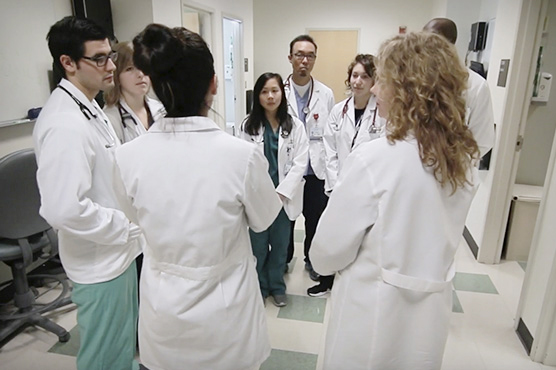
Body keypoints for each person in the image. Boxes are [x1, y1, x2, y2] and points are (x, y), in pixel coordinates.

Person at [113, 24, 282, 369]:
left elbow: (132, 216)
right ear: (214, 84)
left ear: (156, 86)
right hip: (227, 314)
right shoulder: (241, 156)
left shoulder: (126, 157)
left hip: (164, 312)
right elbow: (265, 218)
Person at [310, 32, 480, 369]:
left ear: (407, 89)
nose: (373, 89)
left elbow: (326, 255)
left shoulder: (375, 159)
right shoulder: (461, 161)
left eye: (382, 80)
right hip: (427, 323)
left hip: (369, 316)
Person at [33, 16, 142, 370]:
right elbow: (63, 209)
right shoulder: (65, 123)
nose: (111, 66)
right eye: (99, 59)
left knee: (120, 347)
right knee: (105, 358)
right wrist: (125, 226)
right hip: (101, 262)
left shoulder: (89, 106)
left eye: (110, 56)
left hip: (117, 254)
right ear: (68, 63)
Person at [308, 53, 385, 297]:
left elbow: (383, 152)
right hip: (338, 185)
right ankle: (326, 280)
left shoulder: (382, 114)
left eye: (365, 76)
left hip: (368, 188)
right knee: (334, 233)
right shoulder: (338, 111)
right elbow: (328, 149)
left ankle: (353, 281)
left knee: (361, 238)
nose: (358, 81)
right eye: (354, 75)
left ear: (374, 81)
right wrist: (334, 183)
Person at [238, 73, 309, 307]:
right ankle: (259, 285)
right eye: (264, 91)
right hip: (258, 198)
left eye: (275, 91)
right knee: (257, 245)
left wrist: (282, 192)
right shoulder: (248, 125)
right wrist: (262, 193)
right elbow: (244, 164)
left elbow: (301, 162)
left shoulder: (295, 126)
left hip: (283, 198)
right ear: (257, 96)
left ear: (282, 93)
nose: (270, 96)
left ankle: (277, 285)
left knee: (280, 246)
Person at [284, 35, 334, 281]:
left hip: (316, 170)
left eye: (310, 55)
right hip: (290, 168)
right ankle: (283, 258)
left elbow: (331, 134)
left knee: (315, 220)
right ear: (290, 57)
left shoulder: (325, 94)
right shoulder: (278, 91)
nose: (304, 60)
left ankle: (312, 260)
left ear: (315, 59)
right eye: (299, 55)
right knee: (287, 220)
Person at [423, 17, 495, 158]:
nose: (424, 44)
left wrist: (452, 164)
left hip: (454, 169)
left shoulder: (476, 85)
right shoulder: (414, 78)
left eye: (431, 38)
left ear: (449, 43)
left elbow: (483, 141)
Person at [103, 41, 165, 144]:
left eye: (143, 66)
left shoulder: (160, 109)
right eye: (130, 69)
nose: (140, 74)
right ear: (116, 75)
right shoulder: (110, 119)